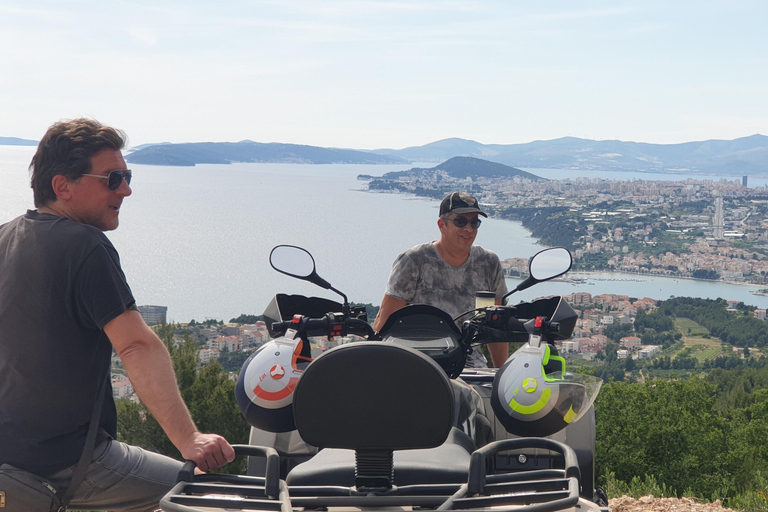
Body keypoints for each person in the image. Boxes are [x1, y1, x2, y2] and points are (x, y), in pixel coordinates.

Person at [0, 119, 235, 512]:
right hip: (70, 464)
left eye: (127, 176)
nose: (126, 189)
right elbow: (137, 345)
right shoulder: (85, 245)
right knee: (211, 499)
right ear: (63, 186)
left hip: (10, 461)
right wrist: (189, 439)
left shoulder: (5, 236)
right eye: (113, 178)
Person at [372, 191, 509, 368]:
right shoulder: (414, 261)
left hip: (471, 368)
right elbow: (385, 321)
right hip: (417, 363)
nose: (469, 228)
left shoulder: (489, 263)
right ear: (441, 225)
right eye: (460, 222)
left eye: (474, 222)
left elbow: (495, 328)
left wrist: (501, 375)